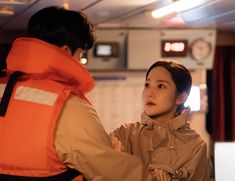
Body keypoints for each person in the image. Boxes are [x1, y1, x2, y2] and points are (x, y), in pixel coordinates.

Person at [0, 6, 143, 181]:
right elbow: (113, 173)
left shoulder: (3, 87)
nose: (82, 63)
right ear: (66, 52)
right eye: (81, 55)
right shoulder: (66, 106)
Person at [110, 60, 211, 181]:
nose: (149, 93)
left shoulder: (196, 147)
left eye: (161, 86)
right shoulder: (124, 135)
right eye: (147, 85)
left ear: (180, 97)